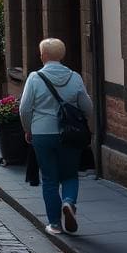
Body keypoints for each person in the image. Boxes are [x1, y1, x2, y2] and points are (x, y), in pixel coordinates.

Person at [18, 38, 94, 236]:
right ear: (62, 55)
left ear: (43, 56)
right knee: (69, 174)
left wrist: (28, 129)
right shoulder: (75, 77)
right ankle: (68, 202)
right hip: (69, 134)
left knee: (50, 179)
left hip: (42, 133)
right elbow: (87, 107)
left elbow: (24, 109)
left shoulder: (35, 78)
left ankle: (54, 224)